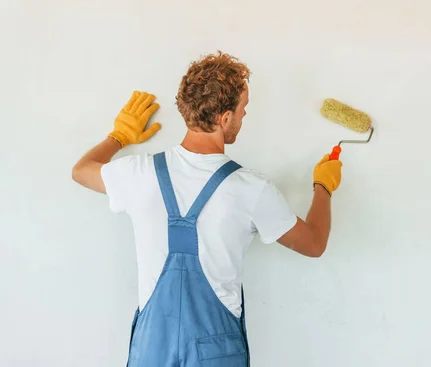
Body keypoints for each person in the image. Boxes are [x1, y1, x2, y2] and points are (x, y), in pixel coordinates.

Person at [71, 51, 342, 366]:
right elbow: (313, 243)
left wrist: (118, 137)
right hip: (216, 353)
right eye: (243, 110)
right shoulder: (250, 188)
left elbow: (82, 170)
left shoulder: (140, 174)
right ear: (225, 118)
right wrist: (323, 187)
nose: (243, 117)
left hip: (152, 350)